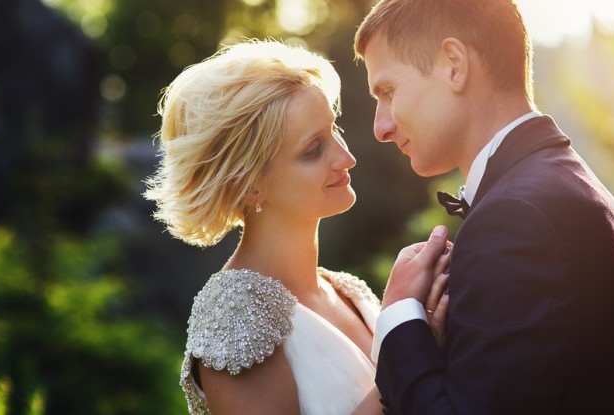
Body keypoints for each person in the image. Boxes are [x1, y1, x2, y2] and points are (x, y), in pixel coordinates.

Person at [353, 1, 614, 414]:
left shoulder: (518, 217)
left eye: (388, 92)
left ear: (454, 65)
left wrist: (398, 317)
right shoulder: (559, 185)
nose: (381, 127)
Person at [144, 39, 450, 415]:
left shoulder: (349, 292)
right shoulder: (235, 316)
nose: (346, 157)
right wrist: (406, 350)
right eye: (312, 149)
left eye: (333, 130)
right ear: (249, 182)